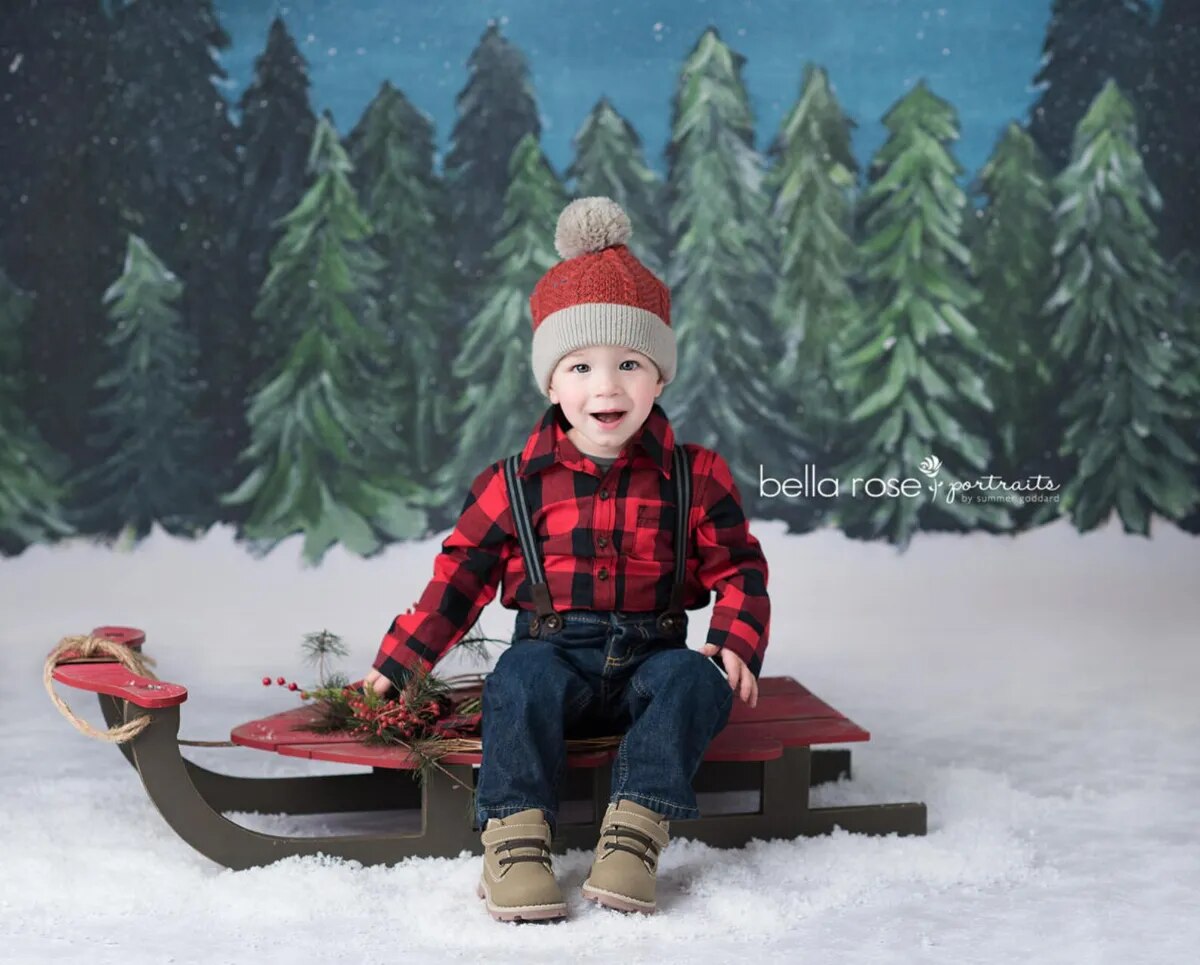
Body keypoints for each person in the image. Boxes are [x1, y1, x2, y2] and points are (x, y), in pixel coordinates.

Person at [363, 196, 770, 921]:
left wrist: (736, 633)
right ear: (551, 382)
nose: (606, 387)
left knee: (694, 680)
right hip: (556, 656)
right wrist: (401, 659)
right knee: (516, 680)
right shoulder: (513, 483)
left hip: (653, 655)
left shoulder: (695, 475)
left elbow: (739, 566)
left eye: (630, 363)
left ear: (661, 377)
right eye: (580, 366)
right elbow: (457, 581)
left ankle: (635, 831)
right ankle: (516, 836)